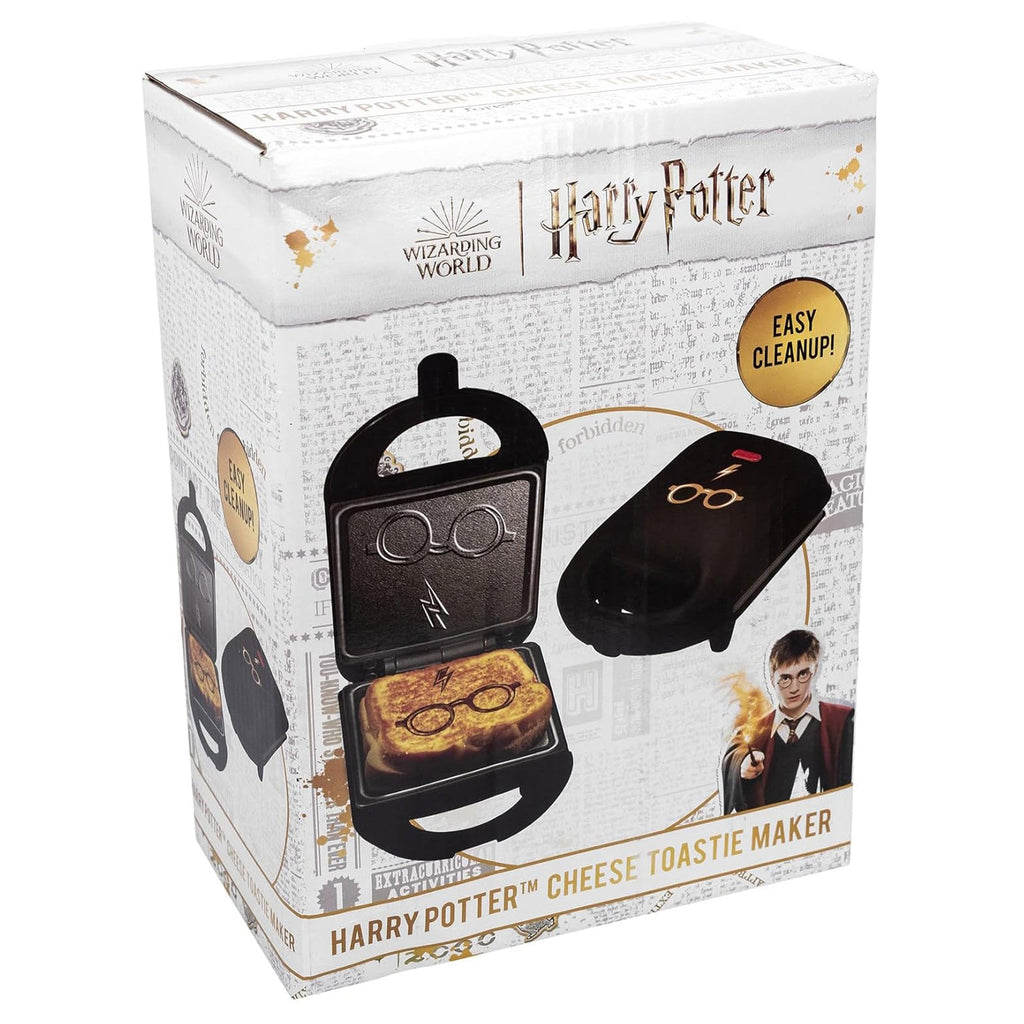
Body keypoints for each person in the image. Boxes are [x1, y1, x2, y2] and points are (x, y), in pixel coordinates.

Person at [721, 629, 853, 814]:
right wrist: (742, 764)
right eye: (785, 678)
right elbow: (736, 751)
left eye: (803, 674)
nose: (794, 688)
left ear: (814, 670)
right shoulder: (756, 731)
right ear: (772, 680)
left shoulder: (842, 721)